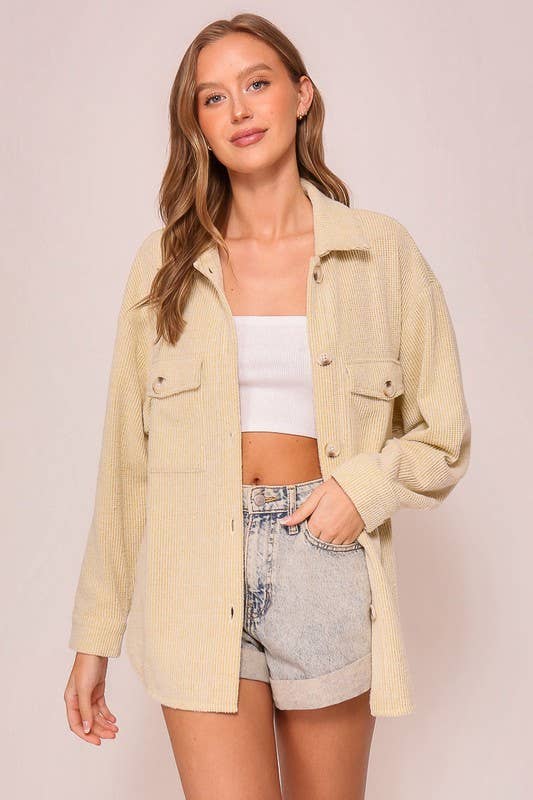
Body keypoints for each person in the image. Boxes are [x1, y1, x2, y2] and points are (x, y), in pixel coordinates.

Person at [64, 12, 471, 800]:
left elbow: (442, 435)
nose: (240, 110)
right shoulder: (164, 264)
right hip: (190, 572)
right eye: (213, 98)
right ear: (197, 125)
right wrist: (94, 638)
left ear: (301, 95)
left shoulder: (378, 252)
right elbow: (123, 465)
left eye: (257, 84)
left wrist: (361, 489)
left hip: (322, 557)